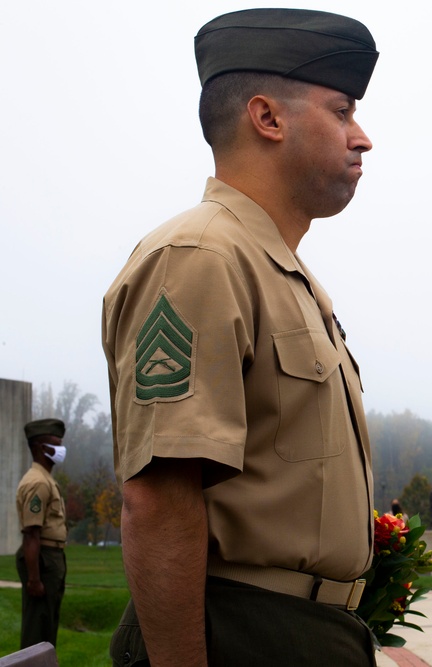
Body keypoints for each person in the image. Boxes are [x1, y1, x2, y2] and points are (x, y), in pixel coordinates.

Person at [101, 9, 380, 666]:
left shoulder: (280, 272)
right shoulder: (200, 256)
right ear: (268, 117)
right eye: (341, 110)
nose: (362, 137)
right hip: (241, 631)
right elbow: (159, 498)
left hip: (298, 631)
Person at [15, 418, 69, 649]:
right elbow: (31, 534)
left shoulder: (45, 479)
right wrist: (34, 579)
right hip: (42, 558)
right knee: (38, 629)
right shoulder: (38, 482)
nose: (61, 450)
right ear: (40, 448)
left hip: (49, 557)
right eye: (55, 445)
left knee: (47, 626)